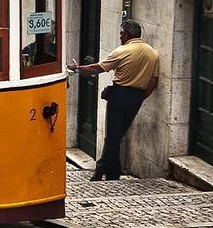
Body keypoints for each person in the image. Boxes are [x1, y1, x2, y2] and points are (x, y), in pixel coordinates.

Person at [67, 19, 159, 181]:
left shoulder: (122, 51)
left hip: (119, 95)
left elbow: (97, 68)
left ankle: (104, 167)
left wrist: (77, 69)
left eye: (122, 33)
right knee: (117, 135)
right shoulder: (153, 53)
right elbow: (153, 81)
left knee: (113, 136)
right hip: (136, 98)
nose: (120, 37)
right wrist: (139, 98)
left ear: (129, 34)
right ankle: (111, 172)